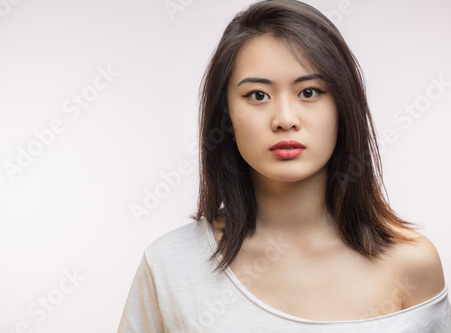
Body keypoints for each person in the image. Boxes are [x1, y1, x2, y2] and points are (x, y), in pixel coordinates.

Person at [118, 0, 451, 331]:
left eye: (309, 91)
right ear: (226, 115)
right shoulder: (170, 266)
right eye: (258, 96)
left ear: (342, 107)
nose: (285, 120)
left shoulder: (411, 264)